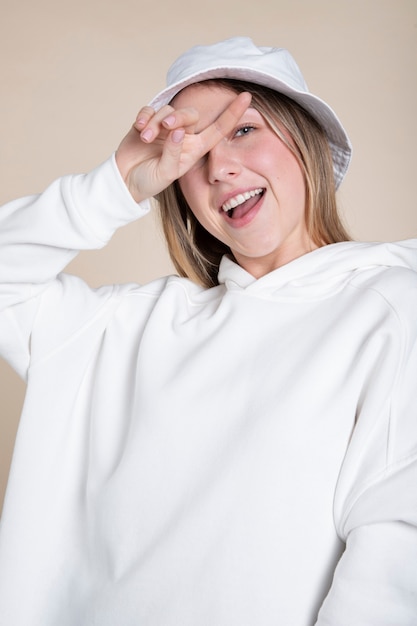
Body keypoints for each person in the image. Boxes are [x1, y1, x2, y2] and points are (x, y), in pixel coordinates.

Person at [0, 36, 416, 626]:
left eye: (243, 130)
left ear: (305, 140)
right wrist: (115, 182)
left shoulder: (393, 310)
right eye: (189, 153)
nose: (218, 167)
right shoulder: (124, 330)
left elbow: (396, 554)